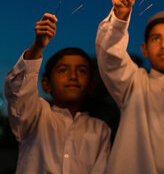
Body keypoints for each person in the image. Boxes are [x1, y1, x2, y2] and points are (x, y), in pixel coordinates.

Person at [95, 0, 164, 174]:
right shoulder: (132, 83)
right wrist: (119, 17)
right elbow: (110, 55)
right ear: (145, 49)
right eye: (156, 39)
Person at [5, 13, 111, 173]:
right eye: (63, 70)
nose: (73, 76)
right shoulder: (36, 116)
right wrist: (38, 46)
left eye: (81, 71)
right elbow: (18, 92)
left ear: (91, 85)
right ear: (46, 84)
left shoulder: (100, 130)